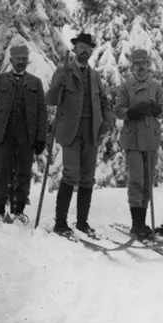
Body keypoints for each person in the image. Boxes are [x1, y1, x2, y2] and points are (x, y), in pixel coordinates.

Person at [0, 44, 47, 222]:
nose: (21, 62)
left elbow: (42, 112)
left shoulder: (35, 82)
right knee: (2, 171)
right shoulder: (1, 80)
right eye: (18, 58)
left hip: (27, 135)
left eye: (24, 58)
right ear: (11, 60)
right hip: (4, 134)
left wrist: (41, 138)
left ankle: (18, 211)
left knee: (23, 173)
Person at [46, 32, 112, 235]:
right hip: (70, 131)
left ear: (91, 51)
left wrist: (107, 121)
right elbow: (51, 99)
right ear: (74, 49)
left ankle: (82, 222)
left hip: (91, 132)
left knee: (87, 177)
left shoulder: (94, 76)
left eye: (88, 48)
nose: (84, 51)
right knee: (71, 173)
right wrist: (60, 80)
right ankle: (60, 222)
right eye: (81, 47)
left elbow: (103, 102)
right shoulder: (63, 71)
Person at [114, 48, 163, 239]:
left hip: (151, 139)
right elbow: (118, 110)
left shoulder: (156, 87)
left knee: (147, 182)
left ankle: (142, 223)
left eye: (143, 64)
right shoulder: (126, 87)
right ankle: (137, 224)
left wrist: (157, 109)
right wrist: (132, 111)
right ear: (132, 67)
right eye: (137, 65)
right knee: (136, 180)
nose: (141, 68)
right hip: (133, 139)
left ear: (148, 65)